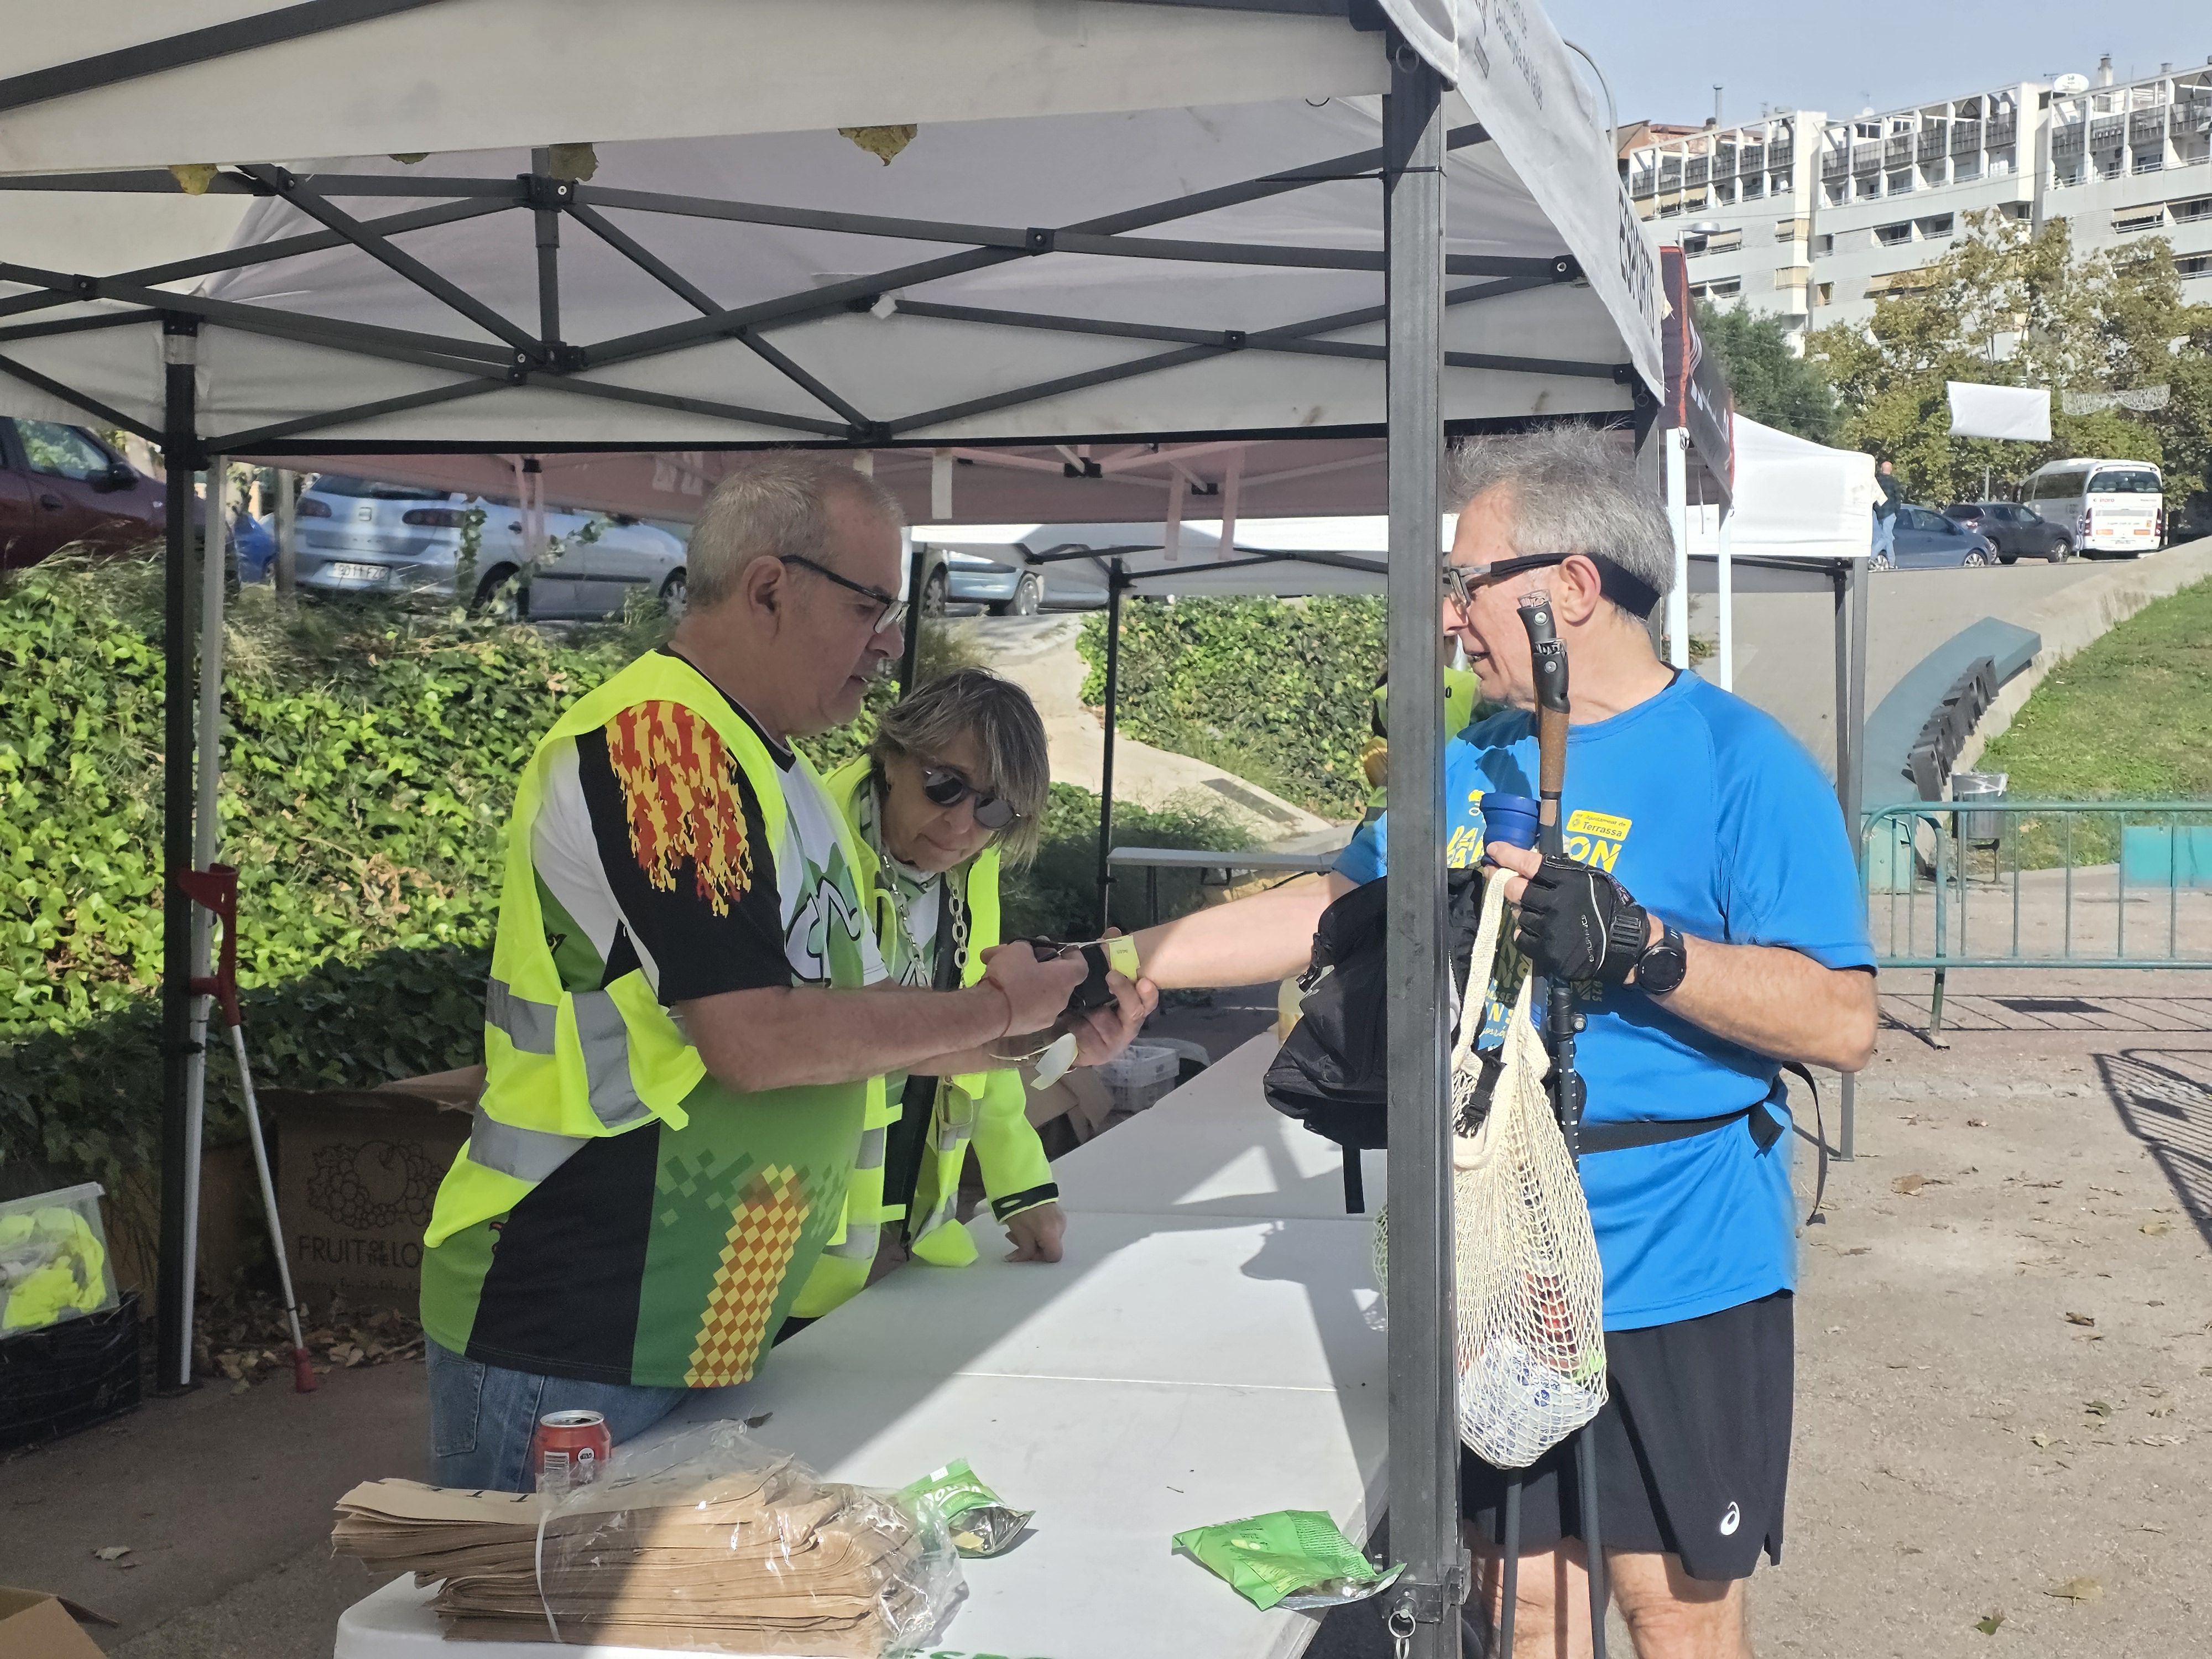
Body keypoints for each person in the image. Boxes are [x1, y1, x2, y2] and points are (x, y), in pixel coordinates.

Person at [1127, 426, 1876, 1658]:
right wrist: (1125, 963)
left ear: (1569, 588)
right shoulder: (1465, 761)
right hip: (1493, 1258)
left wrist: (1643, 947)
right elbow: (1330, 908)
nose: (1445, 618)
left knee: (1671, 1610)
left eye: (1464, 583)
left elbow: (1840, 1024)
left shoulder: (1740, 762)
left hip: (1676, 1260)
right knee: (1519, 1603)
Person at [417, 456, 1152, 1492]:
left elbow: (858, 1027)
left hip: (687, 1317)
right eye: (871, 607)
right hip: (575, 1319)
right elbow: (758, 1041)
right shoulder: (661, 745)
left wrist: (1047, 1036)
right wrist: (996, 1005)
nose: (890, 643)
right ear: (770, 589)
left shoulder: (782, 774)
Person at [805, 667, 1066, 1313]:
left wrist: (1022, 1185)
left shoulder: (972, 868)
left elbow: (985, 1035)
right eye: (943, 785)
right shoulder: (808, 843)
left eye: (994, 809)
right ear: (892, 757)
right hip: (787, 1247)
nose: (960, 826)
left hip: (911, 1238)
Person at [1872, 456, 1901, 563]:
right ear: (1891, 469)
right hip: (1890, 513)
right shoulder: (1894, 482)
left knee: (1888, 537)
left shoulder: (1876, 481)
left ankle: (1892, 562)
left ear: (1881, 469)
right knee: (1886, 537)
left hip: (1878, 513)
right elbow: (1898, 499)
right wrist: (1897, 512)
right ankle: (1871, 556)